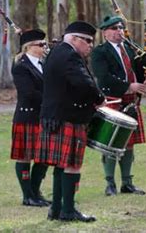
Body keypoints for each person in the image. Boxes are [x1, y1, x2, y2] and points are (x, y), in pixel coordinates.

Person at [35, 21, 105, 222]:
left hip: (55, 116)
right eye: (88, 41)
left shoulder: (56, 53)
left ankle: (56, 210)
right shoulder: (70, 55)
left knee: (60, 164)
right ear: (74, 38)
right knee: (72, 164)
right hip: (69, 117)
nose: (90, 45)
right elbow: (84, 82)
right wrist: (99, 99)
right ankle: (68, 211)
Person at [91, 16, 146, 196]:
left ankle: (127, 183)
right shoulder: (100, 52)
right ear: (105, 32)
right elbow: (103, 76)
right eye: (114, 28)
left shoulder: (131, 48)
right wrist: (129, 86)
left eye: (121, 27)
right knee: (111, 143)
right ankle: (110, 183)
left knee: (129, 144)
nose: (119, 31)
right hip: (113, 100)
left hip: (132, 102)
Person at [11, 29, 50, 207]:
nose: (44, 47)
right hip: (28, 116)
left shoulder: (44, 64)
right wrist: (52, 100)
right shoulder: (21, 66)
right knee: (25, 156)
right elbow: (28, 93)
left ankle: (35, 192)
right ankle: (27, 196)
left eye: (45, 44)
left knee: (44, 156)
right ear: (29, 47)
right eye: (41, 44)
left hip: (43, 116)